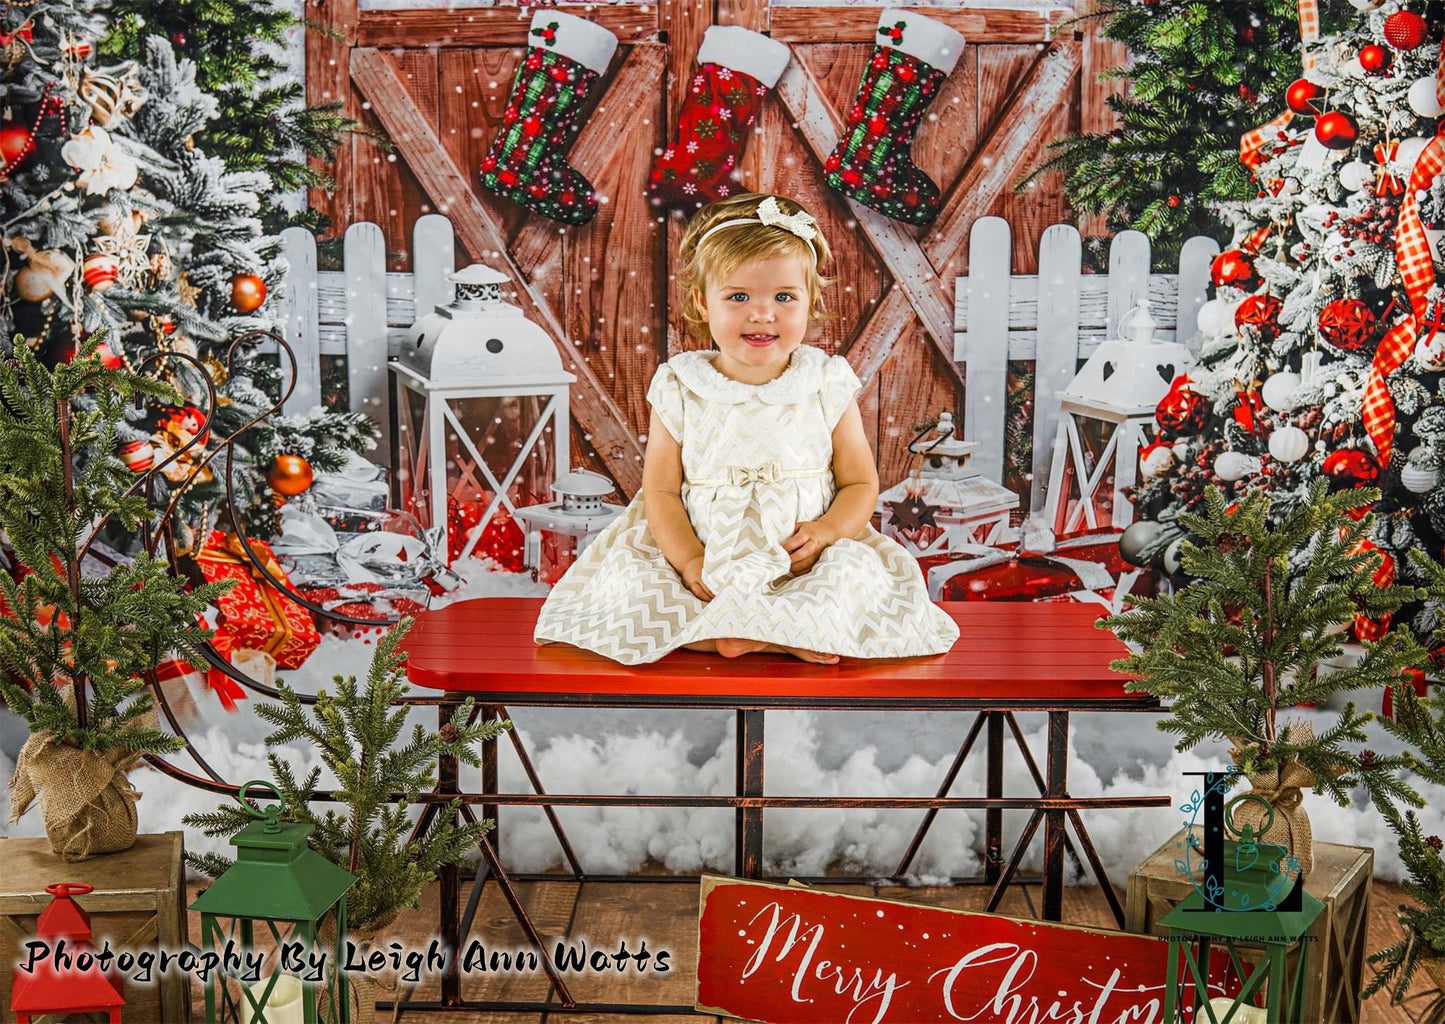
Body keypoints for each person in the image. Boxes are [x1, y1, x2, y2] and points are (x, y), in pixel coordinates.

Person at [534, 193, 959, 665]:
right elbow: (660, 491)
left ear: (809, 301)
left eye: (784, 297)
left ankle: (757, 631)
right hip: (705, 553)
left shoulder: (823, 382)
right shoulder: (681, 385)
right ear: (703, 301)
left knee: (854, 577)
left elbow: (860, 482)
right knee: (632, 586)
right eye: (739, 297)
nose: (762, 313)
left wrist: (827, 531)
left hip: (801, 559)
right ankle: (755, 634)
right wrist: (690, 558)